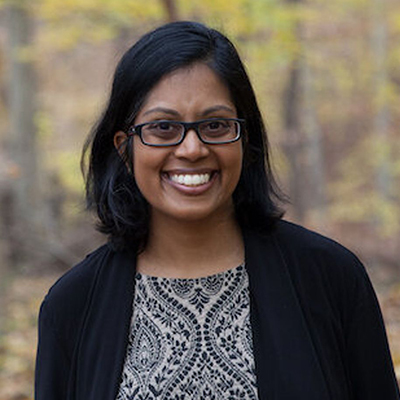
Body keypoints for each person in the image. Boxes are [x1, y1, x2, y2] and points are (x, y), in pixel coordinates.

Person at [35, 21, 400, 400]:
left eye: (215, 125)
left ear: (245, 140)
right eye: (163, 127)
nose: (192, 149)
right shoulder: (72, 306)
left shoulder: (331, 278)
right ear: (125, 148)